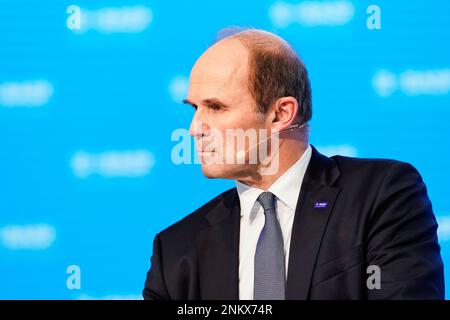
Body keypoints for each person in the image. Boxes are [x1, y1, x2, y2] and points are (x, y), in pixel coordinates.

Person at [143, 28, 444, 300]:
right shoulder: (176, 250)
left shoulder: (380, 195)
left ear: (280, 114)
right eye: (195, 108)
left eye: (216, 107)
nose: (195, 128)